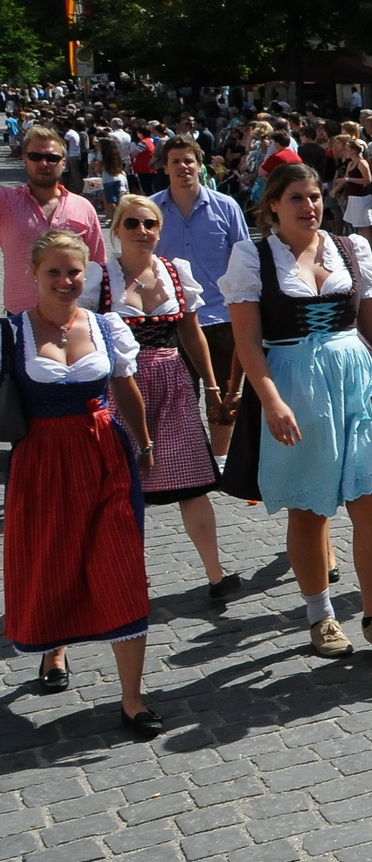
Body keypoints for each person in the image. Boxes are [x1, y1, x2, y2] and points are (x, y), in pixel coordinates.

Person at [221, 163, 372, 658]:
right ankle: (321, 615)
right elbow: (247, 342)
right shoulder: (252, 257)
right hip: (294, 385)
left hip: (355, 381)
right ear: (272, 205)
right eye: (296, 199)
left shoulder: (350, 248)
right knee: (309, 511)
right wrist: (269, 399)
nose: (309, 206)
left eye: (314, 197)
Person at [5, 228, 160, 733]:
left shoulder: (103, 325)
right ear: (33, 274)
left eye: (74, 271)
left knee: (121, 566)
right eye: (53, 271)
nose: (65, 280)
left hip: (104, 455)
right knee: (50, 562)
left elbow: (125, 385)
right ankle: (53, 651)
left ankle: (132, 699)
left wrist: (144, 444)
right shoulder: (12, 332)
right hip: (42, 463)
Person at [84, 194, 238, 598]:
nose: (142, 231)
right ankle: (130, 575)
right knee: (123, 488)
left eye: (150, 224)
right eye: (132, 224)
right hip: (120, 388)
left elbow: (191, 332)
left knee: (194, 482)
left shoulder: (175, 271)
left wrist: (211, 385)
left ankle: (216, 574)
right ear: (115, 229)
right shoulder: (98, 278)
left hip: (172, 382)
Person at [2, 126, 107, 316]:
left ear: (63, 163)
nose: (44, 163)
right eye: (35, 157)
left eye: (52, 158)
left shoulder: (83, 207)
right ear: (24, 159)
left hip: (73, 316)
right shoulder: (6, 202)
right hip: (20, 316)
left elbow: (98, 265)